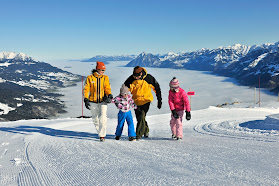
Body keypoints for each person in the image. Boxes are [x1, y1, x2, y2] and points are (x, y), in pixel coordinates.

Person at [124, 66, 162, 140]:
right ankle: (146, 130)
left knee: (141, 115)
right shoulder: (131, 79)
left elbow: (157, 88)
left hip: (146, 100)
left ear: (141, 73)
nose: (136, 77)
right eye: (134, 76)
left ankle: (138, 135)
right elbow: (124, 89)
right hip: (136, 101)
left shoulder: (149, 78)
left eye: (137, 76)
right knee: (140, 118)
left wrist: (159, 100)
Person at [83, 61, 113, 142]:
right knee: (95, 119)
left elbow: (107, 88)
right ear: (97, 69)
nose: (103, 72)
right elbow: (86, 89)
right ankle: (99, 131)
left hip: (103, 101)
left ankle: (102, 135)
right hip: (93, 101)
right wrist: (85, 98)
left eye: (104, 70)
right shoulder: (90, 78)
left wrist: (109, 94)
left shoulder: (105, 77)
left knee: (103, 118)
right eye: (102, 70)